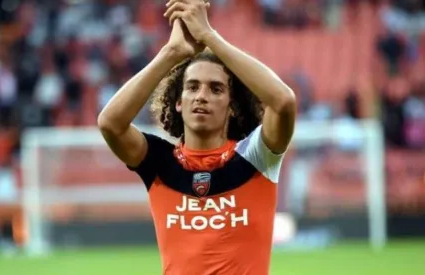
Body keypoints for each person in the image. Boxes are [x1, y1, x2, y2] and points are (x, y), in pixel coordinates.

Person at [97, 0, 296, 274]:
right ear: (178, 102)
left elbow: (283, 102)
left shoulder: (256, 158)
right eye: (192, 87)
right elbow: (110, 123)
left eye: (216, 89)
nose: (201, 96)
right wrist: (171, 53)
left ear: (232, 107)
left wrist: (209, 37)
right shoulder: (160, 163)